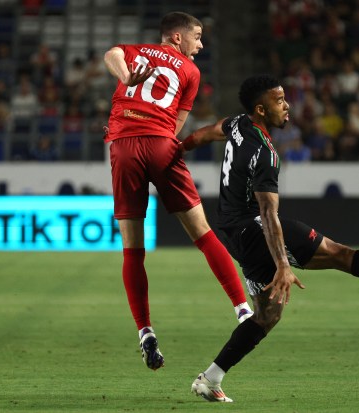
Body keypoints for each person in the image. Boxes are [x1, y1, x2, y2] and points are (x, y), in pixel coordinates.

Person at [180, 75, 359, 402]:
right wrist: (283, 265)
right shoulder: (266, 154)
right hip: (255, 229)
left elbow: (206, 133)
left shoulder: (238, 124)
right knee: (341, 255)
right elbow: (269, 215)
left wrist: (177, 147)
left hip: (235, 235)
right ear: (260, 108)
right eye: (279, 100)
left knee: (268, 315)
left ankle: (211, 378)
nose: (287, 105)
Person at [103, 11, 252, 372]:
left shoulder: (133, 51)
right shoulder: (190, 71)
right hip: (160, 143)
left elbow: (111, 54)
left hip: (123, 145)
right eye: (197, 37)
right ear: (176, 38)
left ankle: (145, 331)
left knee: (132, 249)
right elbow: (176, 124)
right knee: (202, 234)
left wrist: (126, 77)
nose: (200, 45)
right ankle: (243, 309)